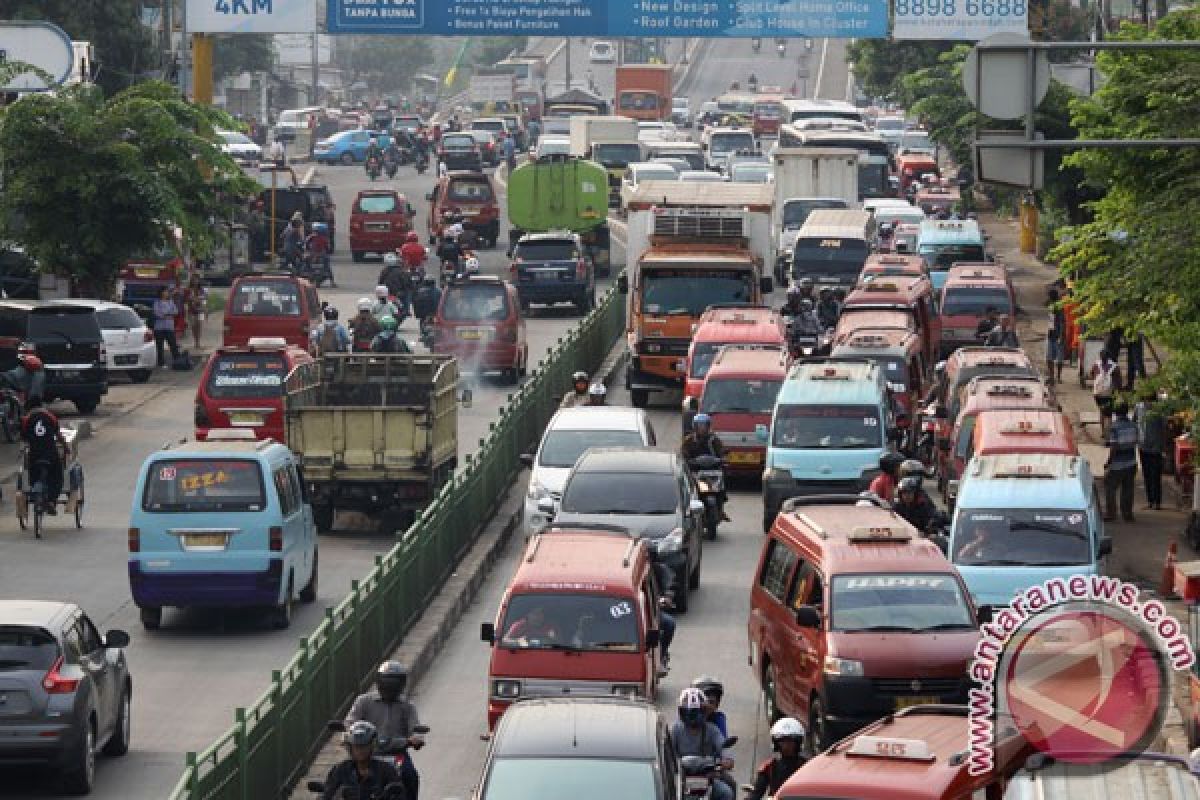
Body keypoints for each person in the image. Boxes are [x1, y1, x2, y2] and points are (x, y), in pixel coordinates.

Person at [345, 662, 423, 800]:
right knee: (343, 777)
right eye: (387, 682)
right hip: (366, 753)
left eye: (393, 683)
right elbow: (350, 722)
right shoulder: (363, 701)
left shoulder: (407, 706)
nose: (389, 687)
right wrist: (348, 734)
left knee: (410, 775)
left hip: (397, 754)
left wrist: (416, 739)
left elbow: (415, 728)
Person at [670, 688, 734, 800]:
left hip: (707, 777)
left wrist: (727, 760)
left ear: (704, 712)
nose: (693, 717)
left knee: (726, 793)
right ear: (682, 712)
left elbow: (723, 746)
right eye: (689, 712)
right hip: (681, 778)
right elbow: (668, 752)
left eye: (697, 712)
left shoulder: (712, 730)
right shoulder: (675, 730)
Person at [319, 720, 402, 800]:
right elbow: (327, 794)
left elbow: (400, 795)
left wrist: (386, 795)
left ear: (372, 746)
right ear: (350, 747)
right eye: (357, 747)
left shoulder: (387, 770)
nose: (360, 751)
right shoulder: (340, 769)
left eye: (364, 746)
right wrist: (338, 794)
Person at [21, 396, 67, 515]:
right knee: (57, 477)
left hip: (35, 454)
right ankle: (51, 501)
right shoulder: (50, 416)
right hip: (50, 453)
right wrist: (66, 447)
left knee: (33, 474)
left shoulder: (26, 419)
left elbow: (24, 438)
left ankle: (34, 492)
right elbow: (58, 435)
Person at [682, 413, 728, 521]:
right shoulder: (689, 440)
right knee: (687, 489)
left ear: (708, 426)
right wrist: (686, 460)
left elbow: (721, 451)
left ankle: (720, 509)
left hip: (713, 471)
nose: (702, 428)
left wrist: (722, 458)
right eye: (699, 425)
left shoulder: (714, 440)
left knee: (721, 485)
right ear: (695, 426)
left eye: (704, 425)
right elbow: (683, 452)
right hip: (695, 471)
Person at [747, 718, 807, 800]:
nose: (786, 745)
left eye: (790, 741)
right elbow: (756, 794)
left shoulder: (807, 766)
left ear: (798, 742)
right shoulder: (769, 767)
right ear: (776, 743)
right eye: (783, 741)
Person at [1105, 402, 1139, 523]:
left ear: (1115, 413)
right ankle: (1127, 514)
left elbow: (1113, 446)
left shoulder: (1114, 427)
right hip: (1131, 462)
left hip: (1118, 464)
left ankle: (1111, 513)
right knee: (1128, 489)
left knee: (1110, 487)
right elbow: (1136, 441)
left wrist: (1109, 462)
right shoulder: (1133, 426)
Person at [1135, 390, 1166, 510]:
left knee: (1155, 475)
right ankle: (1150, 501)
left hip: (1156, 447)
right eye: (1146, 401)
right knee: (1147, 474)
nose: (1148, 404)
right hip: (1143, 446)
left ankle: (1157, 501)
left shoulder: (1159, 409)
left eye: (1150, 401)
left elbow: (1164, 426)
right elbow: (1135, 421)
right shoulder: (1139, 407)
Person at [1090, 351, 1121, 436]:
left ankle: (1103, 432)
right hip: (1109, 394)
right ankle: (1109, 432)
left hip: (1098, 394)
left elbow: (1091, 375)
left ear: (1100, 356)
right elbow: (1118, 382)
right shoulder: (1115, 367)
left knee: (1102, 411)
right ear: (1109, 357)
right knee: (1109, 414)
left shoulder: (1096, 365)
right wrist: (1118, 393)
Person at [152, 287, 182, 368]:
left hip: (169, 327)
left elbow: (175, 311)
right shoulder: (157, 302)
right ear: (161, 293)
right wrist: (167, 314)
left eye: (167, 292)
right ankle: (161, 363)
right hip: (159, 328)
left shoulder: (170, 302)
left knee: (173, 344)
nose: (167, 293)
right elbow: (157, 313)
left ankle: (178, 361)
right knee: (160, 346)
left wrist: (166, 314)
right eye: (165, 291)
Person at [1045, 288, 1066, 386]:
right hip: (1050, 334)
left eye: (1049, 296)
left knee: (1059, 358)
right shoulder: (1051, 305)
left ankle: (1058, 376)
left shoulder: (1059, 307)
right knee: (1049, 357)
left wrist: (1061, 336)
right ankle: (1051, 376)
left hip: (1058, 335)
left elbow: (1062, 322)